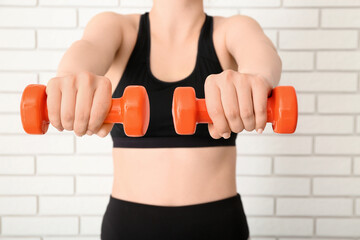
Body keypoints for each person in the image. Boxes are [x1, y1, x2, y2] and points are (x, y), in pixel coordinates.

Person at [45, 0, 281, 239]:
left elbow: (260, 53)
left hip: (217, 225)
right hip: (129, 226)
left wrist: (254, 79)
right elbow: (88, 49)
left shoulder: (232, 30)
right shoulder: (117, 28)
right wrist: (71, 78)